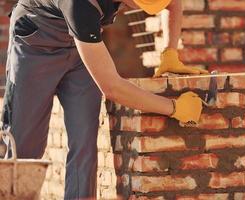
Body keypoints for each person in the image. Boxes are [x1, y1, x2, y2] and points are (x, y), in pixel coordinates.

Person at [1, 0, 208, 199]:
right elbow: (112, 87)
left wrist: (170, 53)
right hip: (36, 43)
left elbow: (172, 2)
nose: (141, 7)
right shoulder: (80, 4)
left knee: (85, 141)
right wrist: (174, 108)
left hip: (82, 46)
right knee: (24, 147)